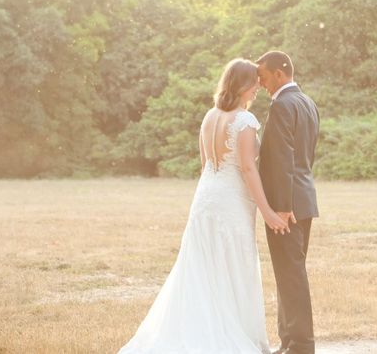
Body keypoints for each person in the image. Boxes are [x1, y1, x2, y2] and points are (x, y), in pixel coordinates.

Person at [118, 58, 288, 354]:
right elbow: (248, 170)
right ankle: (229, 334)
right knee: (233, 263)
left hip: (205, 197)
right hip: (231, 201)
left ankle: (196, 326)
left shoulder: (209, 117)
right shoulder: (245, 122)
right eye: (254, 84)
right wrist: (268, 212)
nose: (258, 89)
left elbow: (206, 165)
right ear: (242, 84)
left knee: (202, 265)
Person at [255, 51, 320, 354]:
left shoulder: (282, 105)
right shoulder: (307, 102)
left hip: (287, 206)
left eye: (264, 77)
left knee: (291, 275)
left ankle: (302, 345)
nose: (262, 84)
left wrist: (280, 206)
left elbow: (281, 159)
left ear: (279, 74)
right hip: (304, 198)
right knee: (289, 272)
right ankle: (289, 341)